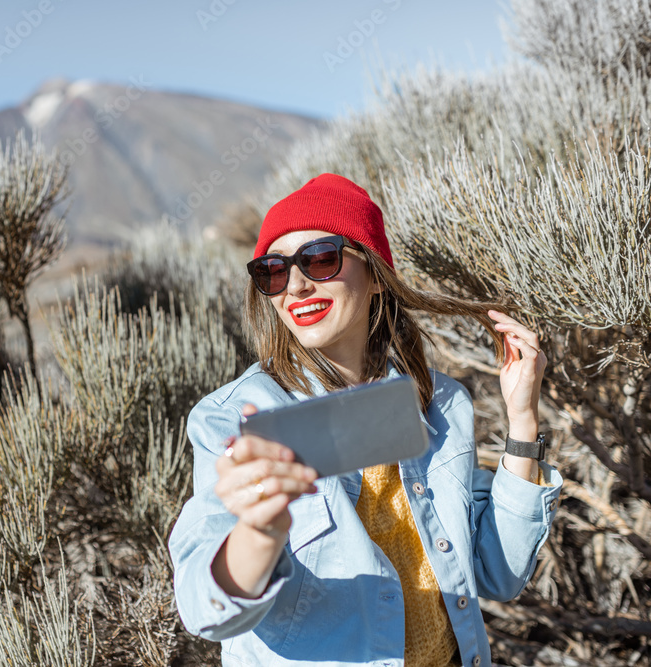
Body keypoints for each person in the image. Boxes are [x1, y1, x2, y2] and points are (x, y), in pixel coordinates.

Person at [168, 173, 563, 667]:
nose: (295, 284)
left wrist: (522, 420)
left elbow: (497, 574)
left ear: (376, 275)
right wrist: (261, 532)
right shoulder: (234, 421)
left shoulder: (443, 403)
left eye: (320, 258)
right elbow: (206, 610)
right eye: (273, 270)